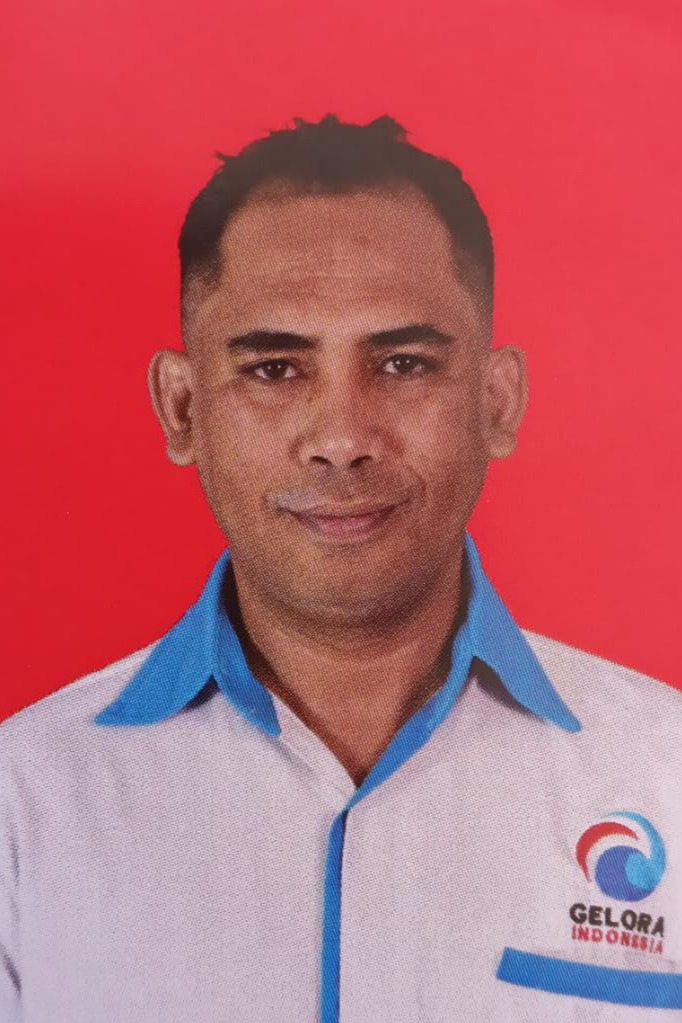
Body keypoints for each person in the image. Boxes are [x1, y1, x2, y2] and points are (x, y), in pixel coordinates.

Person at [1, 115, 680, 1022]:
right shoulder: (22, 804)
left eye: (402, 362)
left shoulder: (665, 769)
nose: (342, 439)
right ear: (182, 408)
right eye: (275, 369)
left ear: (497, 401)